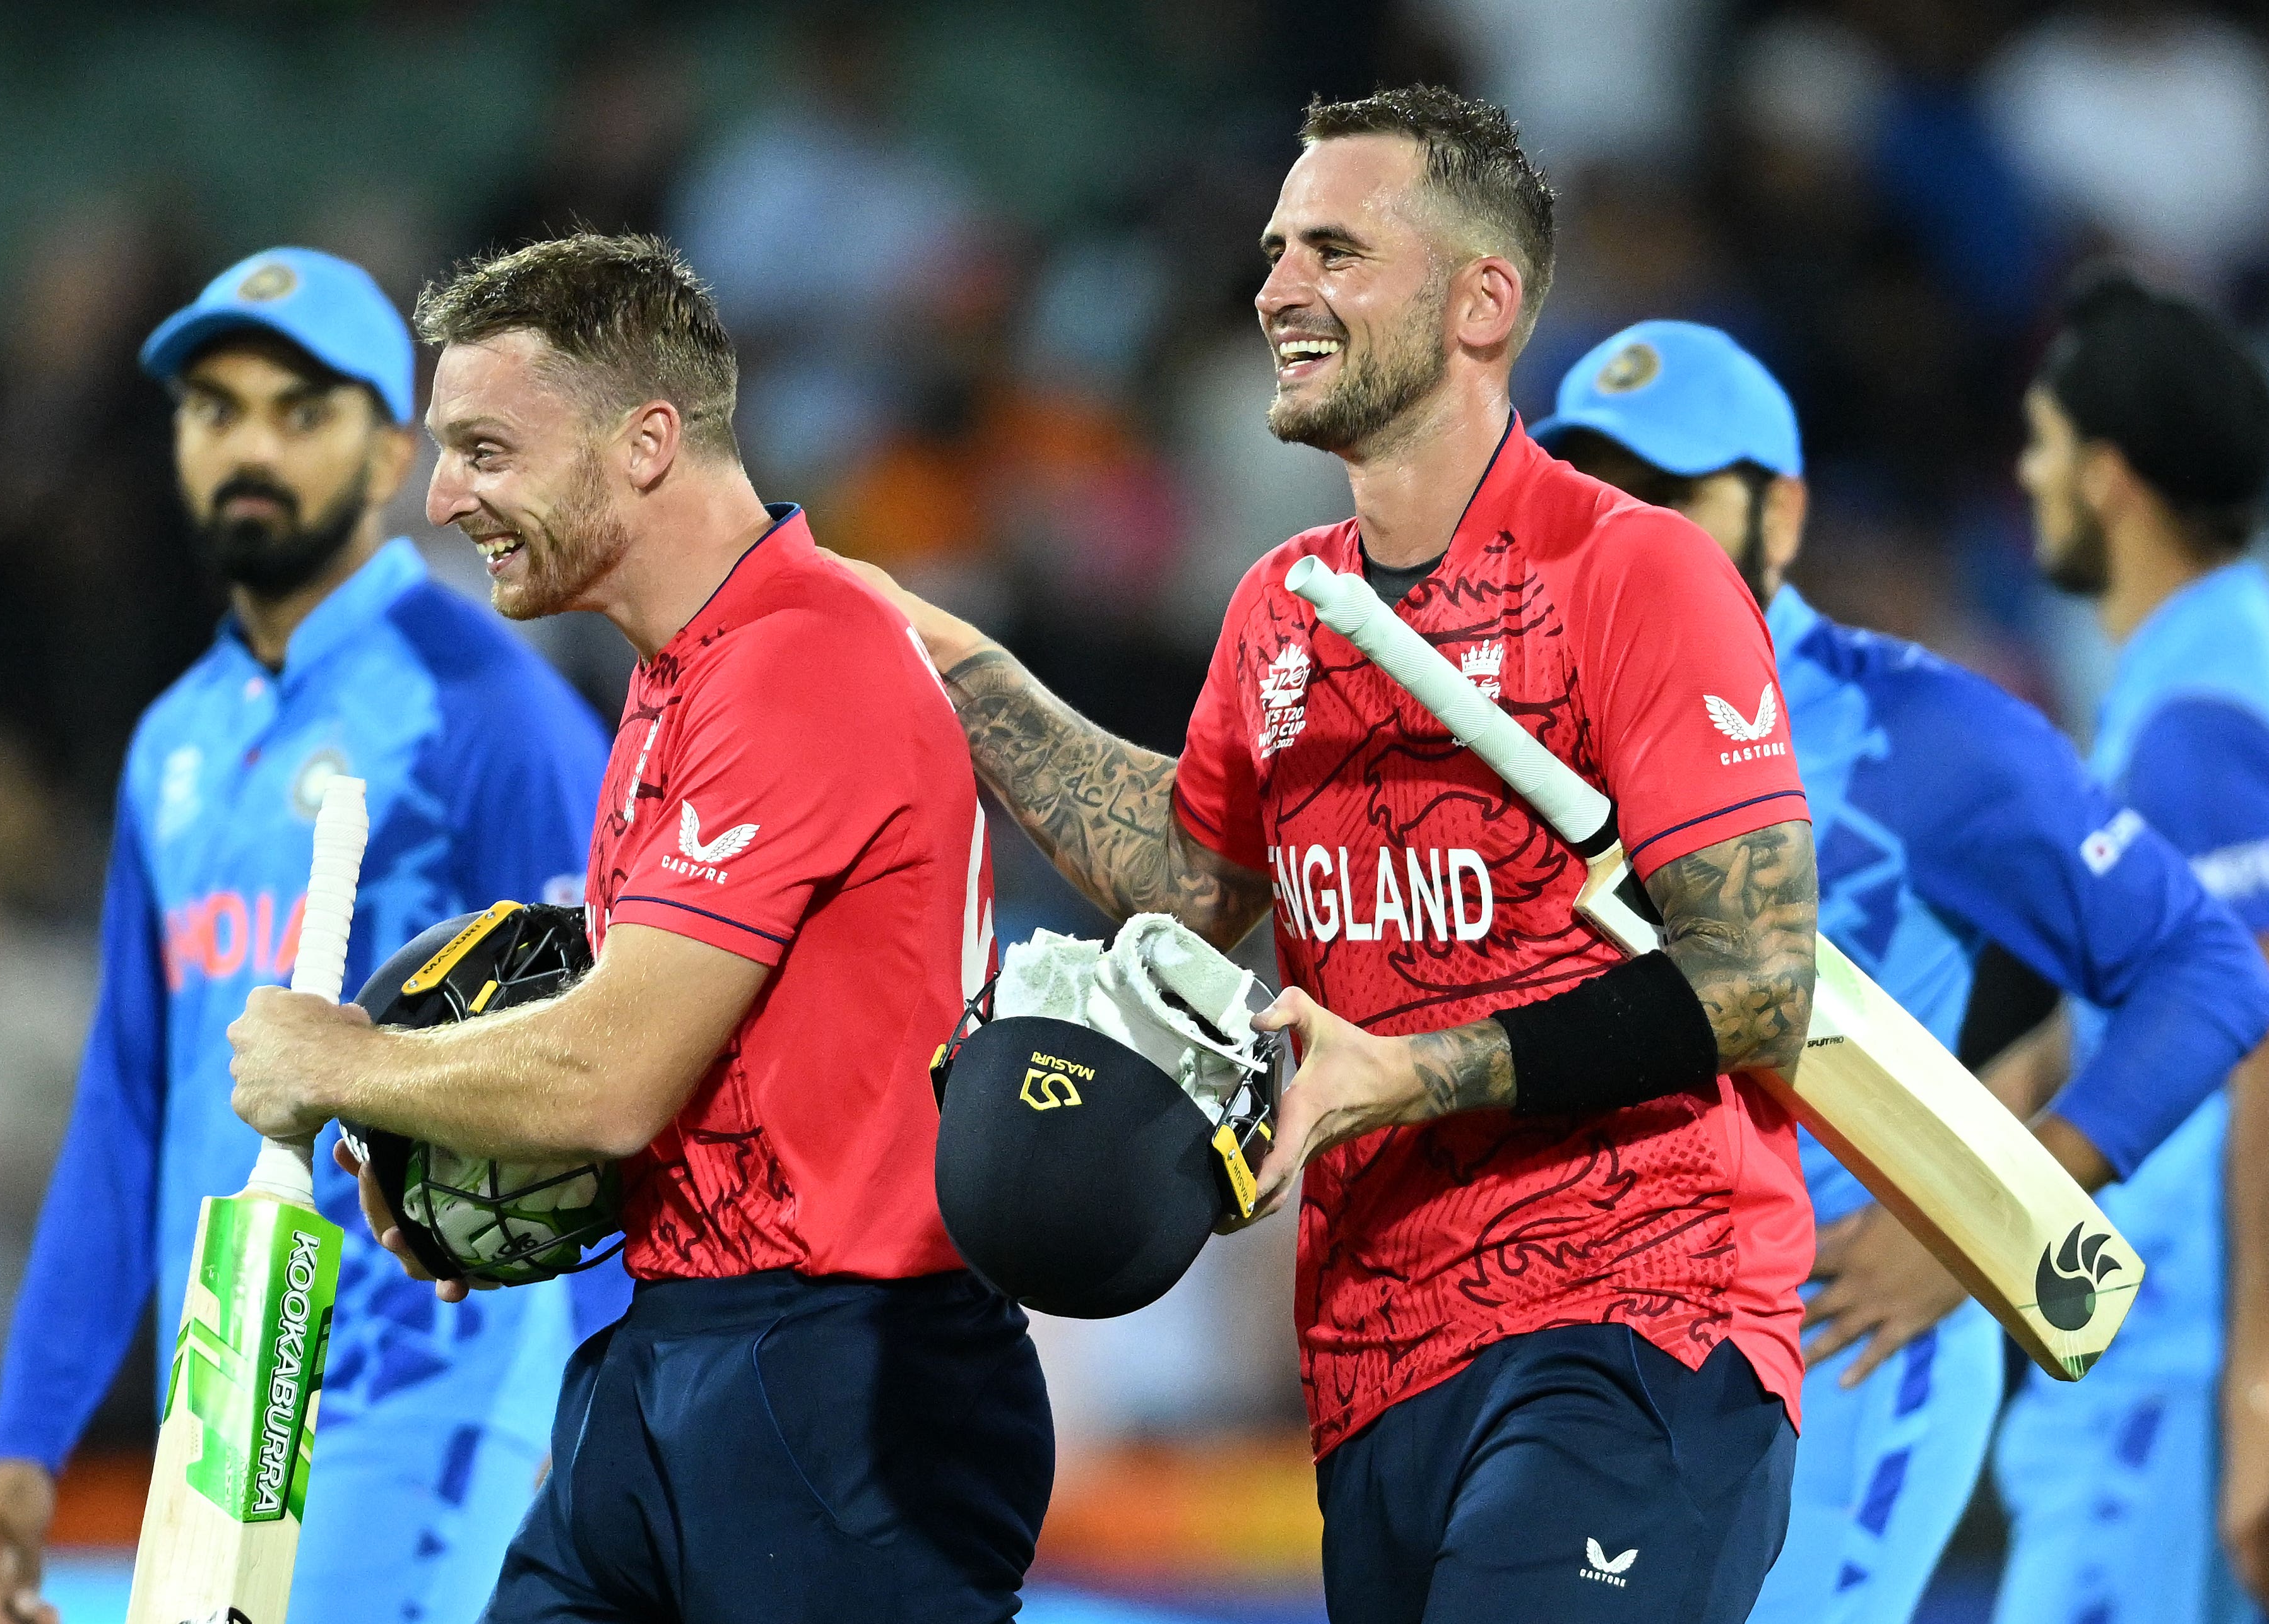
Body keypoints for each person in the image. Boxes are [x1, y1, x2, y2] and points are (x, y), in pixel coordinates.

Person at [850, 86, 1819, 1622]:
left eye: (1336, 251)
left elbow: (1762, 980)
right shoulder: (1280, 605)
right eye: (1276, 248)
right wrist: (949, 658)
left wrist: (1410, 1073)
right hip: (1374, 1351)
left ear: (1479, 301)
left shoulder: (1638, 571)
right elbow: (1190, 880)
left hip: (1633, 1320)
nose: (1276, 287)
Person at [225, 231, 1050, 1623]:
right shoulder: (689, 676)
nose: (442, 497)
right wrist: (446, 1142)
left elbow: (610, 1081)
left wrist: (340, 1066)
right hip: (679, 1350)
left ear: (647, 441)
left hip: (840, 1385)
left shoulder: (800, 660)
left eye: (486, 449)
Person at [1535, 317, 2269, 1624]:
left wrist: (1977, 1225)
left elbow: (2208, 972)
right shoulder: (1522, 738)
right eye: (1592, 495)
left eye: (1670, 496)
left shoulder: (1918, 736)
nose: (1625, 535)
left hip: (1833, 1364)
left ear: (1783, 512)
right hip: (1578, 1355)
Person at [0, 247, 616, 1624]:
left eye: (298, 411)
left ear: (388, 452)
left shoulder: (488, 709)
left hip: (425, 1386)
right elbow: (129, 1100)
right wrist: (29, 1436)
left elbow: (616, 1064)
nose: (248, 445)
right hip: (222, 1399)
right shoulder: (172, 743)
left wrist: (610, 1413)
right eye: (215, 409)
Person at [2003, 268, 2269, 1624]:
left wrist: (2255, 1393)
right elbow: (2131, 999)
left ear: (2106, 476)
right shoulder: (2210, 666)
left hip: (2175, 1353)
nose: (2023, 474)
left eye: (2040, 445)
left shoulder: (2197, 711)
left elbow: (2254, 1040)